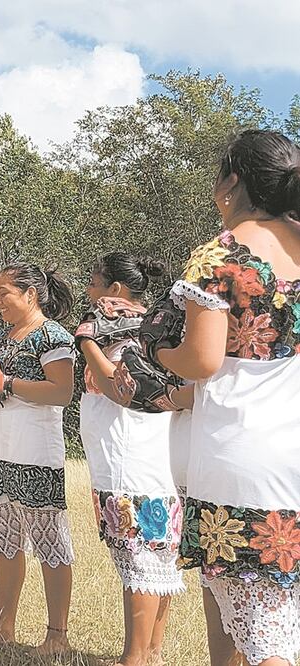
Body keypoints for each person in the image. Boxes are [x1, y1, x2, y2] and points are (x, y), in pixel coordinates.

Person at [158, 129, 300, 666]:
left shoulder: (222, 253)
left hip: (242, 454)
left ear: (232, 182)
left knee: (263, 639)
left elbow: (202, 361)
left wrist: (158, 349)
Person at [77, 253, 185, 666]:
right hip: (154, 449)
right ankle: (151, 652)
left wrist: (86, 341)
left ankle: (133, 658)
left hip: (128, 451)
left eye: (94, 280)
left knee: (136, 549)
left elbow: (119, 387)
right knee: (157, 549)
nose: (89, 289)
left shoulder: (109, 324)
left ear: (114, 290)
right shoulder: (153, 323)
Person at [0, 262, 76, 656]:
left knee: (50, 543)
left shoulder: (52, 334)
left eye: (5, 293)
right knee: (7, 542)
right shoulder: (1, 334)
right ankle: (4, 627)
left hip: (34, 452)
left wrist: (8, 384)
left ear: (30, 294)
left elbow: (62, 392)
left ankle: (57, 635)